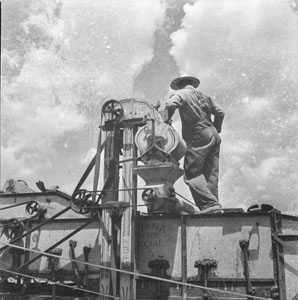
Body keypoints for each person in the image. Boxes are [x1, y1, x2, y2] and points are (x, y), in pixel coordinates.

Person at [165, 76, 225, 213]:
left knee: (192, 173)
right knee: (210, 174)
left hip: (198, 135)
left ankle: (209, 205)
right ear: (192, 84)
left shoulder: (181, 93)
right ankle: (213, 206)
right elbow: (221, 113)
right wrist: (216, 129)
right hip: (214, 135)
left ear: (179, 86)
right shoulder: (205, 96)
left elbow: (170, 105)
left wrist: (165, 120)